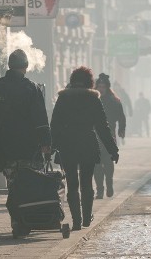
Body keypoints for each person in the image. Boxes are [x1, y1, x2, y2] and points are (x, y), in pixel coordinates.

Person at [0, 49, 51, 231]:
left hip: (6, 145)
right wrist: (45, 142)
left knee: (13, 183)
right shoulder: (31, 88)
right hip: (29, 147)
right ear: (25, 66)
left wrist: (1, 126)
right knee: (28, 183)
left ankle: (16, 220)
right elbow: (40, 118)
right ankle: (25, 219)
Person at [51, 67, 119, 229]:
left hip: (68, 145)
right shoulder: (93, 99)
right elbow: (103, 127)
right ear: (90, 82)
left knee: (72, 183)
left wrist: (52, 146)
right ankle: (87, 217)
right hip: (88, 143)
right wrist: (112, 149)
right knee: (87, 182)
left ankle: (76, 221)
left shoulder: (63, 99)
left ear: (72, 81)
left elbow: (55, 125)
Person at [94, 73, 126, 198]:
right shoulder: (94, 100)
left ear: (107, 87)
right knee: (96, 163)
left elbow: (121, 116)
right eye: (99, 86)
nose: (101, 89)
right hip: (95, 135)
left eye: (103, 86)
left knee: (108, 161)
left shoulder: (114, 101)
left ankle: (109, 182)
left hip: (109, 135)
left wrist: (122, 129)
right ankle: (100, 190)